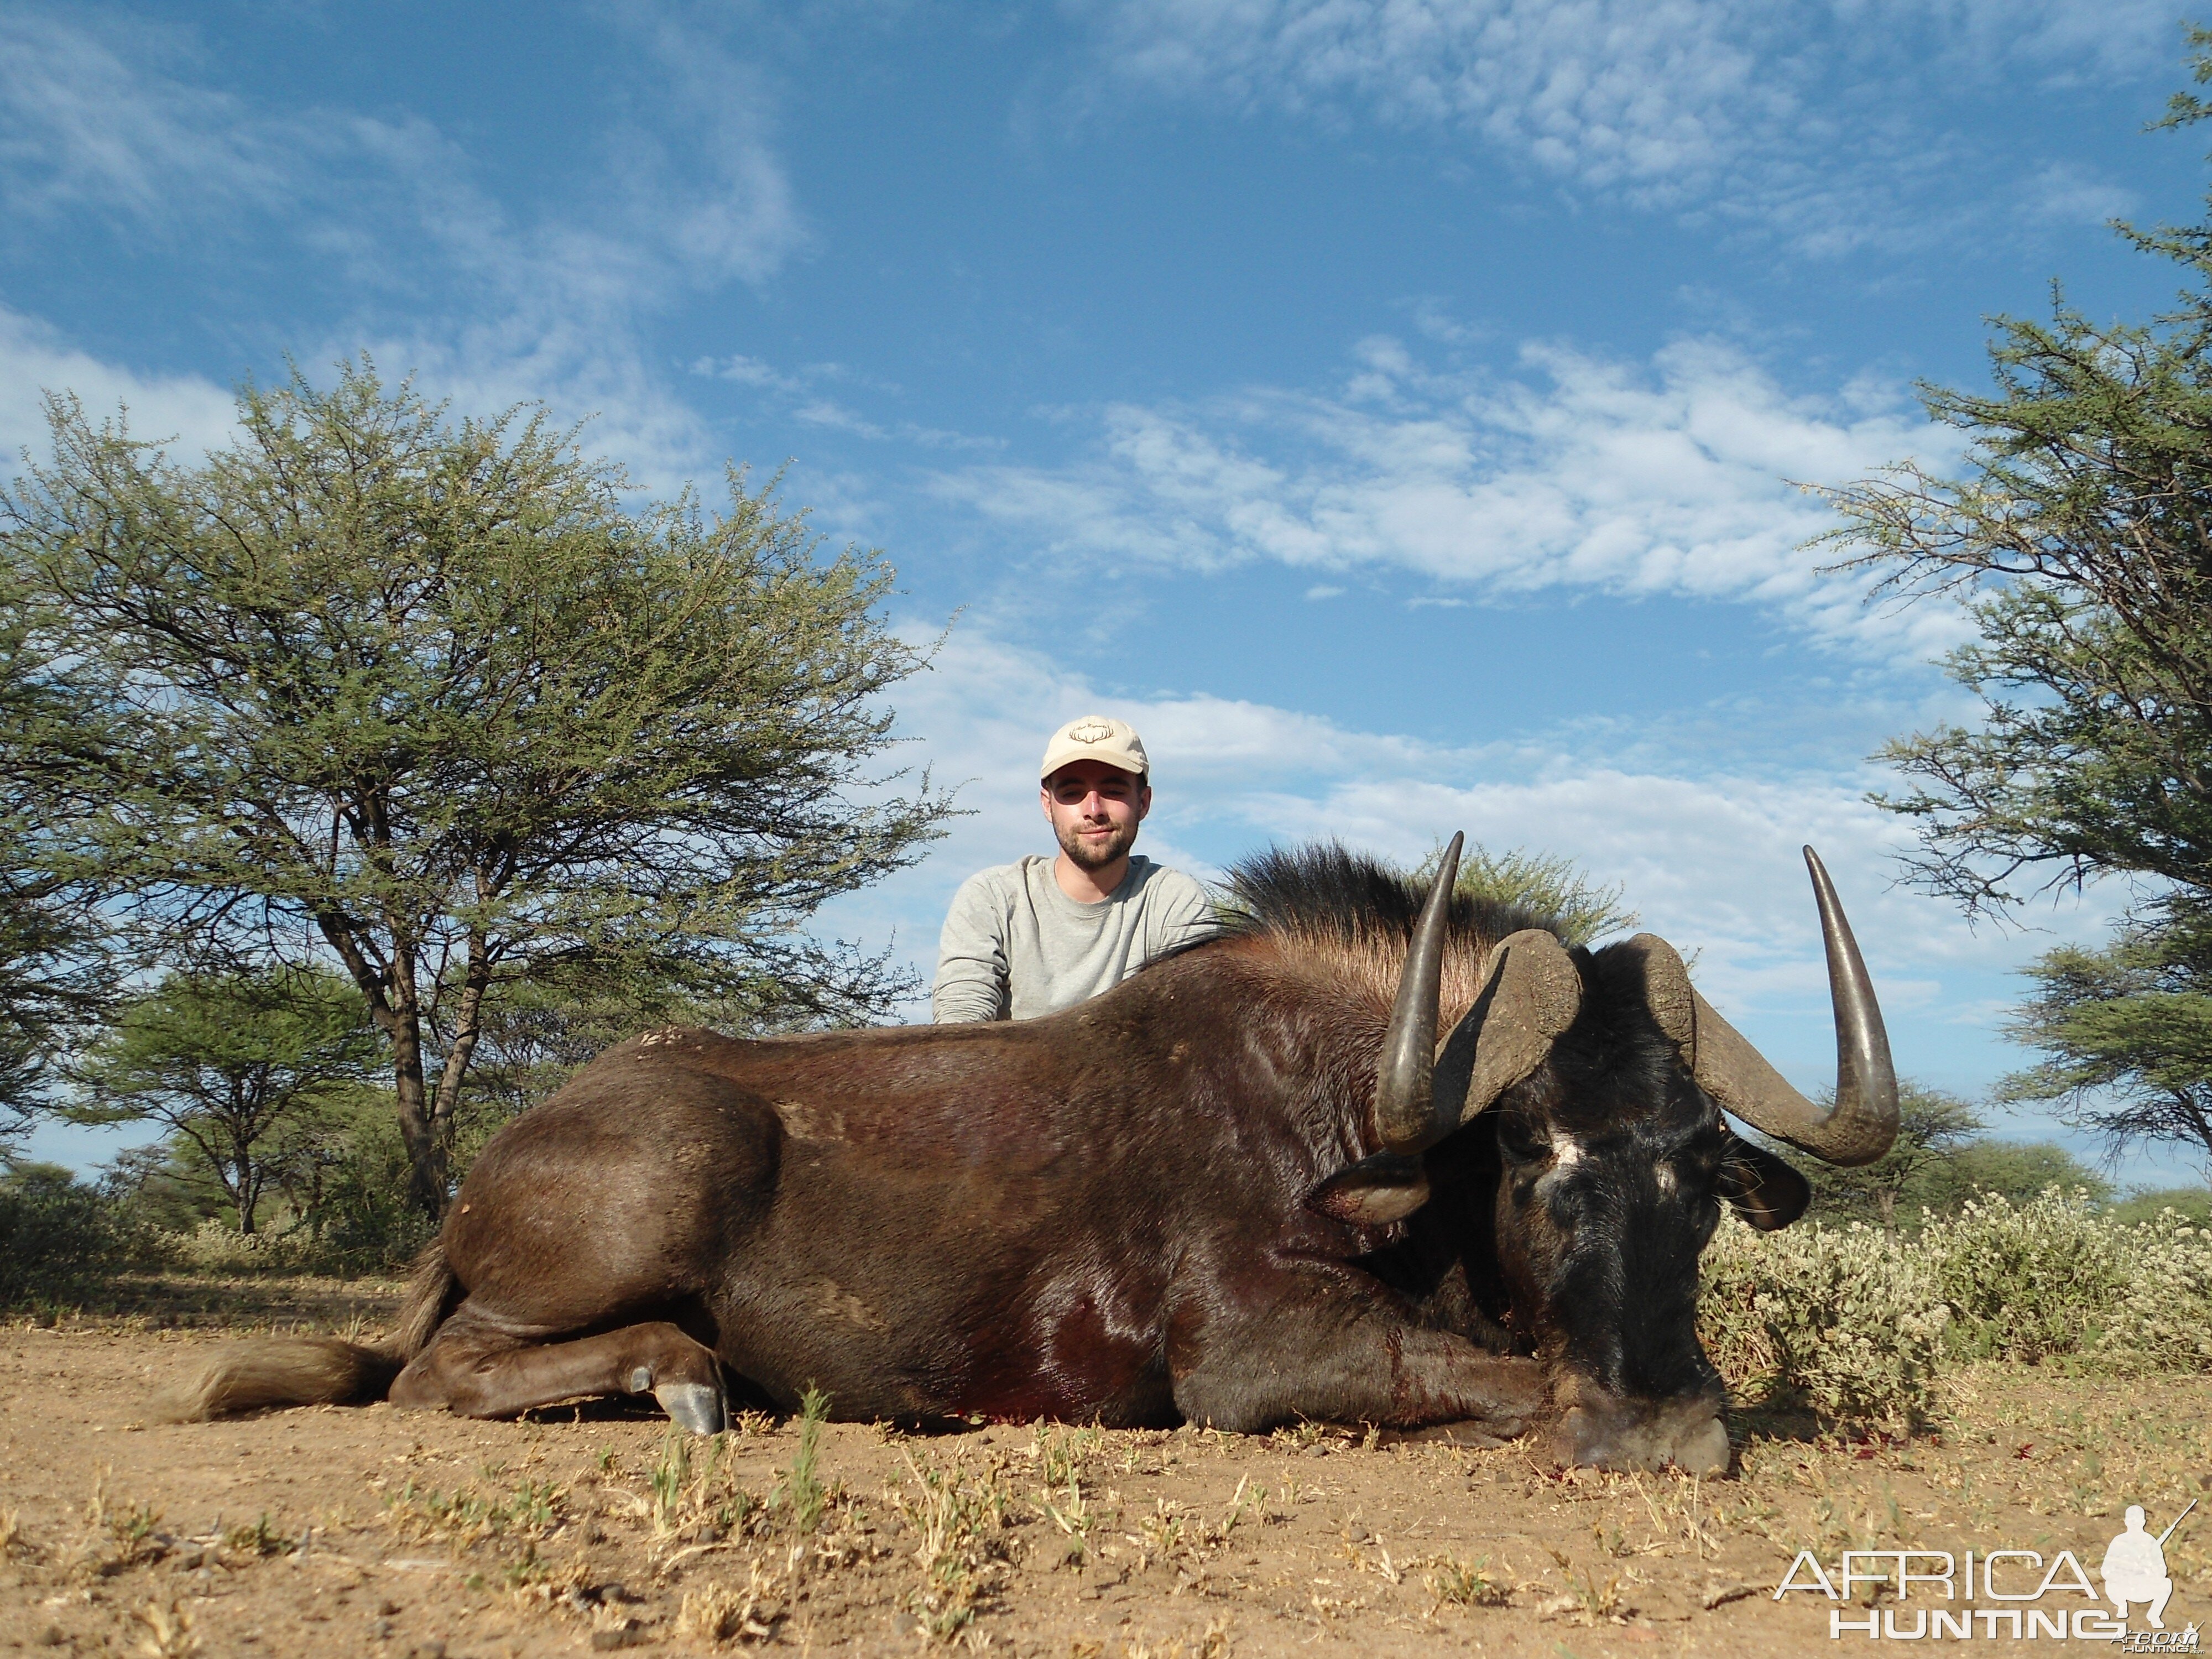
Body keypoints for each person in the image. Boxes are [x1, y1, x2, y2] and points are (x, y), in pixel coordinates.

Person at [931, 715, 1214, 1022]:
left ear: (1144, 802)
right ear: (1047, 804)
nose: (1094, 810)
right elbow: (960, 1021)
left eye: (1114, 791)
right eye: (1072, 793)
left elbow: (1190, 1024)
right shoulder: (992, 897)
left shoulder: (1174, 900)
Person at [2101, 1505, 2175, 1627]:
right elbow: (2106, 1570)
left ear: (2144, 1522)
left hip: (2144, 1586)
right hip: (2123, 1586)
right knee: (2109, 1584)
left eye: (2138, 1519)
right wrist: (2124, 1572)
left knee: (2166, 1584)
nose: (2135, 1522)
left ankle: (2154, 1615)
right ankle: (2122, 1606)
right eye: (2131, 1519)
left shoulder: (2151, 1541)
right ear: (2126, 1522)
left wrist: (2149, 1569)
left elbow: (2162, 1570)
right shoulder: (2119, 1541)